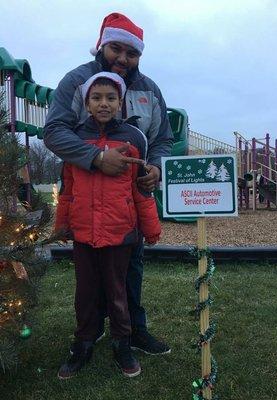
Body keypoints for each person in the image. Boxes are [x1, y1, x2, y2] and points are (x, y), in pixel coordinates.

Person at [44, 12, 173, 355]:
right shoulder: (75, 80)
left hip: (129, 200)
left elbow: (162, 138)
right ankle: (91, 330)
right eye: (116, 49)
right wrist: (97, 159)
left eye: (132, 54)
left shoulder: (149, 89)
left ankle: (133, 330)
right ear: (102, 45)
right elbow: (54, 130)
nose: (123, 59)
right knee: (90, 272)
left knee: (130, 266)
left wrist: (157, 168)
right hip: (86, 197)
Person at [55, 72, 161, 379]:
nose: (104, 103)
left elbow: (140, 190)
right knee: (85, 293)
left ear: (120, 103)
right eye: (97, 98)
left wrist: (151, 229)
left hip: (120, 234)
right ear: (87, 103)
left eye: (110, 98)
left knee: (118, 293)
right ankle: (83, 343)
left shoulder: (133, 139)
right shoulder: (74, 139)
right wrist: (63, 225)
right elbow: (68, 188)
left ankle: (122, 343)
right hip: (84, 234)